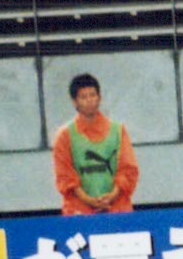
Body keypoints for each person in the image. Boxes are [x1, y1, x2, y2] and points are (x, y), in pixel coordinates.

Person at [52, 73, 140, 215]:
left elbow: (128, 170)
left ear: (100, 98)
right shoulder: (64, 136)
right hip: (79, 213)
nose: (89, 100)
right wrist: (88, 200)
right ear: (75, 102)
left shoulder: (118, 131)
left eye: (92, 95)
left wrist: (111, 197)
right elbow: (65, 176)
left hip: (117, 211)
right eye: (83, 97)